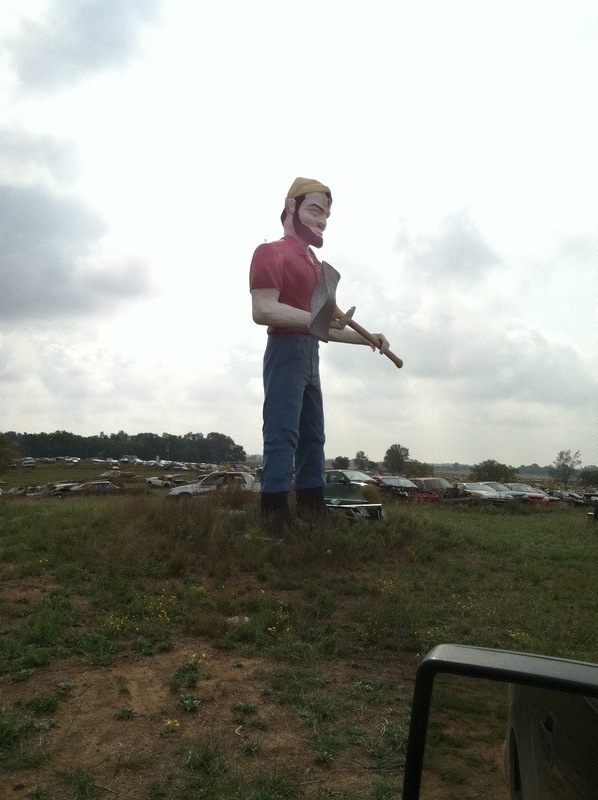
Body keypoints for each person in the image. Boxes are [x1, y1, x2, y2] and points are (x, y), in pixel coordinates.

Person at [249, 177, 389, 526]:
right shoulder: (270, 252)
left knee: (313, 433)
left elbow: (324, 328)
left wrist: (368, 338)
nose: (322, 220)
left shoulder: (317, 267)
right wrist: (317, 319)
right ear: (291, 206)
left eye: (326, 214)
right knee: (282, 432)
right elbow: (263, 309)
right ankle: (275, 513)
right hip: (285, 350)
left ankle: (312, 506)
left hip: (311, 353)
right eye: (314, 209)